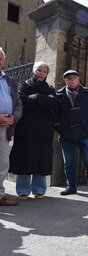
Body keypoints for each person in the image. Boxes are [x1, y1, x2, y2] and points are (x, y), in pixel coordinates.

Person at [9, 61, 58, 200]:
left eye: (44, 71)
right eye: (39, 70)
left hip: (44, 130)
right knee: (25, 158)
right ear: (33, 70)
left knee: (41, 159)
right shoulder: (24, 85)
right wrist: (44, 101)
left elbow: (54, 104)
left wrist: (36, 97)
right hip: (27, 129)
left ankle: (39, 190)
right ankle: (23, 190)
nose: (42, 73)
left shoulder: (50, 88)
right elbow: (23, 102)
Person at [54, 70, 88, 196]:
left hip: (84, 133)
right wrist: (60, 127)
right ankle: (71, 187)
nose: (72, 80)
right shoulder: (59, 95)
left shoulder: (86, 93)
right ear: (65, 80)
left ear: (78, 79)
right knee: (69, 163)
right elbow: (54, 114)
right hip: (66, 134)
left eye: (74, 78)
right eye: (69, 78)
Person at [0, 47, 23, 206]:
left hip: (7, 128)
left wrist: (14, 118)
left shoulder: (10, 80)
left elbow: (19, 104)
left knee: (3, 163)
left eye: (0, 58)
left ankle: (0, 195)